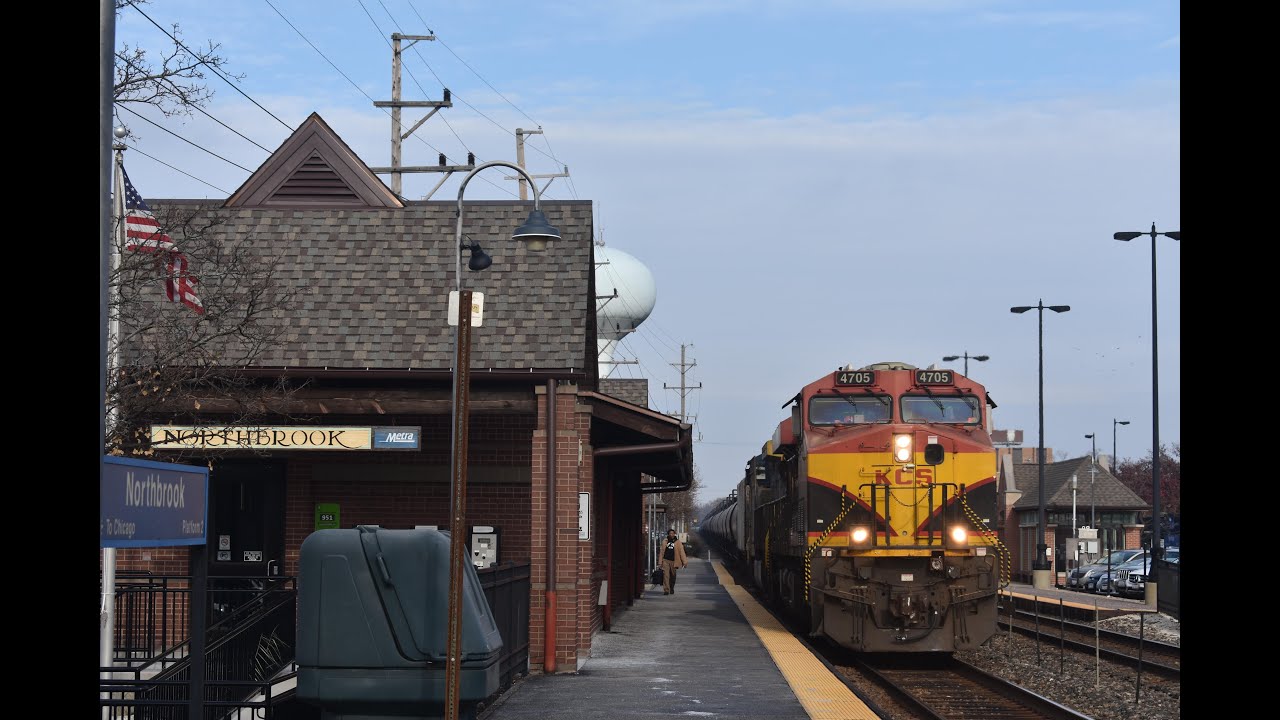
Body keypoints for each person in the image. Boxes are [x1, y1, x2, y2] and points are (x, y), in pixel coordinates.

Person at [660, 528, 688, 595]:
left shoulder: (678, 542)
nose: (671, 535)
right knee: (666, 575)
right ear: (668, 534)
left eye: (672, 533)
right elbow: (661, 552)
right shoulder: (665, 541)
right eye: (670, 533)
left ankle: (671, 587)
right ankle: (666, 590)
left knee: (673, 575)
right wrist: (660, 562)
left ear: (674, 534)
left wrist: (685, 562)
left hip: (674, 561)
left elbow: (682, 552)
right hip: (666, 560)